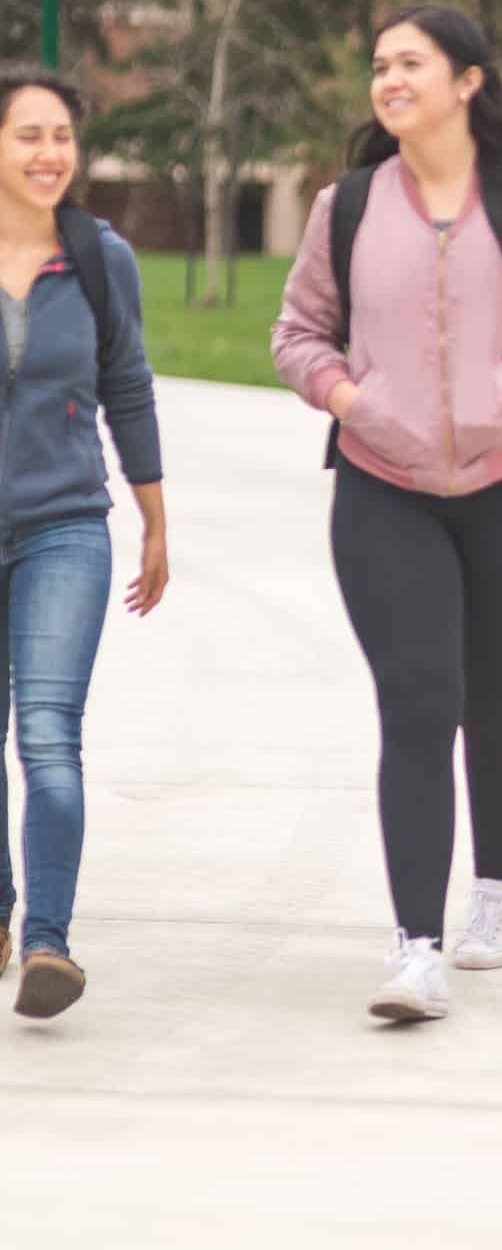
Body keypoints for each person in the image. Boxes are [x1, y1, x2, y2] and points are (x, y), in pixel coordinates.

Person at [271, 6, 502, 1023]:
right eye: (378, 64)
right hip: (382, 486)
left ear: (467, 80)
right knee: (419, 701)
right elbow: (298, 333)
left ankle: (494, 890)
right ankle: (414, 950)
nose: (388, 79)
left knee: (496, 698)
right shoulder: (346, 206)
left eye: (409, 63)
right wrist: (349, 399)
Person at [0, 64, 169, 1021]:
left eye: (61, 136)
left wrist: (153, 515)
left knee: (49, 736)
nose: (49, 154)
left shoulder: (100, 256)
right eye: (28, 134)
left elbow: (129, 386)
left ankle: (48, 942)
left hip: (67, 523)